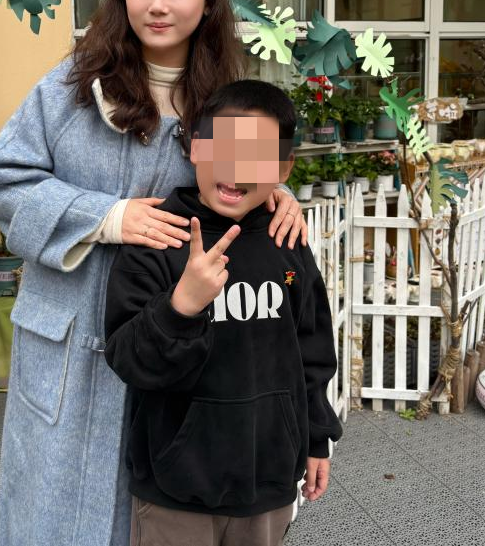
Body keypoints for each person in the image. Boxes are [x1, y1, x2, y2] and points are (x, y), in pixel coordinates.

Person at [0, 0, 307, 546]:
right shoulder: (70, 89)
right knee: (57, 515)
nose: (158, 5)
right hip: (72, 344)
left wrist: (279, 193)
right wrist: (106, 217)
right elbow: (2, 182)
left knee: (165, 511)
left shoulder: (224, 101)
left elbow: (242, 182)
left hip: (175, 339)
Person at [104, 79, 343, 546]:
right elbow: (128, 359)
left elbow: (312, 351)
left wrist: (318, 437)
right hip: (175, 489)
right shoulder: (159, 237)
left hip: (267, 480)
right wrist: (181, 307)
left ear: (283, 168)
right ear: (195, 147)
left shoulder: (285, 240)